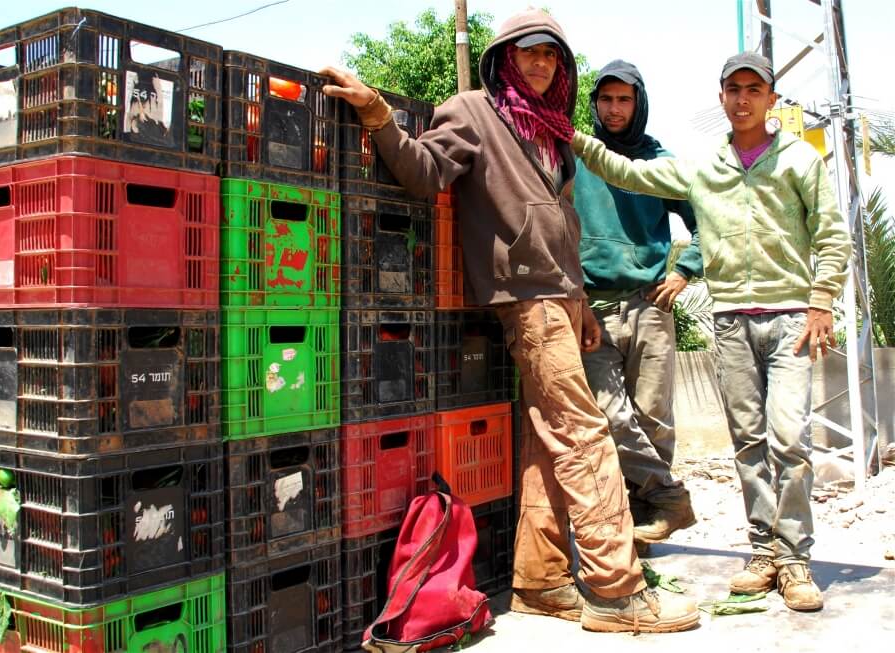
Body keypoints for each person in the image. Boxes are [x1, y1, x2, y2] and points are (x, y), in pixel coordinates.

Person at [322, 8, 698, 633]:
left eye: (552, 55)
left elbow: (562, 224)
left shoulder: (551, 131)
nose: (542, 64)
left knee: (550, 443)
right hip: (524, 298)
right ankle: (616, 591)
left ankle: (543, 579)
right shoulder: (473, 109)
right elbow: (423, 173)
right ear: (503, 59)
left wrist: (579, 301)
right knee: (585, 434)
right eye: (529, 53)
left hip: (559, 297)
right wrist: (378, 115)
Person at [569, 51, 852, 612]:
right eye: (732, 89)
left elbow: (831, 233)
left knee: (788, 438)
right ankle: (763, 551)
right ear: (721, 97)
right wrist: (574, 138)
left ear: (771, 99)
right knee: (747, 442)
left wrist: (821, 302)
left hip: (791, 318)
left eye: (754, 89)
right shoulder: (703, 166)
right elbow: (627, 172)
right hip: (729, 322)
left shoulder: (798, 160)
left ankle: (795, 557)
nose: (742, 98)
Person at [575, 60, 702, 554]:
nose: (613, 109)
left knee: (652, 417)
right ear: (594, 104)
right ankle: (667, 498)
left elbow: (703, 221)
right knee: (609, 417)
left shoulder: (658, 161)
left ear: (639, 103)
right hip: (590, 307)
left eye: (623, 99)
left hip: (648, 305)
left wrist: (683, 270)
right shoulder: (577, 156)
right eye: (605, 99)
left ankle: (644, 527)